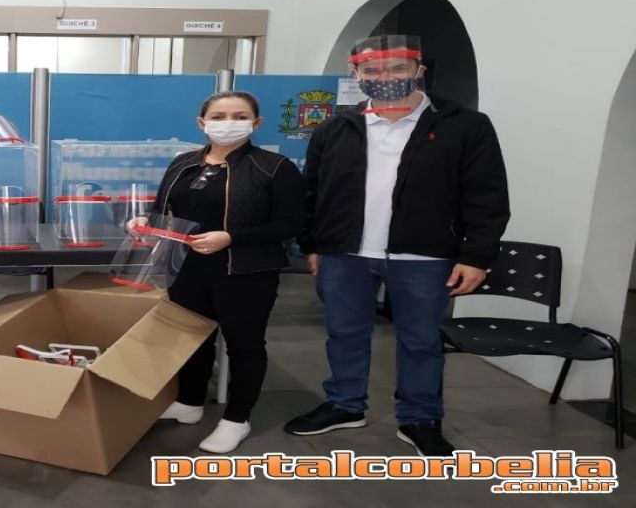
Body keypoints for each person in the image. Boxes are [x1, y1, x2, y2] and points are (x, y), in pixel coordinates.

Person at [284, 35, 510, 456]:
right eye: (371, 70)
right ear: (355, 74)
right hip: (345, 254)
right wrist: (311, 244)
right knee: (344, 333)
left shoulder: (465, 126)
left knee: (420, 340)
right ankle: (345, 404)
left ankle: (419, 418)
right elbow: (312, 192)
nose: (384, 77)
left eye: (397, 68)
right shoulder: (336, 128)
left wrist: (476, 256)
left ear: (419, 69)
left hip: (424, 256)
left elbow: (487, 195)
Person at [143, 90, 305, 453]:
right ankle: (189, 402)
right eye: (218, 117)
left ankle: (236, 419)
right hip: (186, 267)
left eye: (239, 116)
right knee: (192, 338)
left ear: (256, 123)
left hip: (246, 270)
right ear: (202, 123)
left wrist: (232, 237)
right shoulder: (183, 163)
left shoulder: (274, 167)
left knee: (244, 345)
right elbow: (162, 211)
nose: (228, 123)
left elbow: (291, 223)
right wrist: (145, 223)